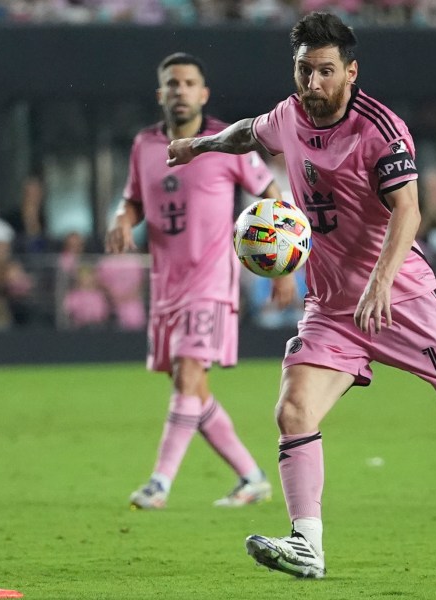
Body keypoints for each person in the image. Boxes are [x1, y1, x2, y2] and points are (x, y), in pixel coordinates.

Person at [165, 12, 436, 578]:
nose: (312, 84)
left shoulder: (381, 128)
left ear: (351, 72)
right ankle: (307, 543)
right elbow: (248, 131)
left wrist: (380, 281)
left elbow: (409, 209)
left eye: (325, 71)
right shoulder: (288, 116)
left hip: (404, 300)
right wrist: (202, 145)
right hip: (332, 308)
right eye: (304, 70)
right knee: (293, 409)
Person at [106, 52, 294, 509]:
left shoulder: (224, 143)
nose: (180, 90)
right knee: (193, 388)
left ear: (203, 93)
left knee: (188, 376)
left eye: (189, 83)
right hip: (166, 286)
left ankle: (159, 483)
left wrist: (285, 266)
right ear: (161, 94)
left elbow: (272, 195)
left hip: (211, 280)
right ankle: (251, 477)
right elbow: (133, 199)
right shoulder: (144, 145)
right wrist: (119, 218)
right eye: (172, 83)